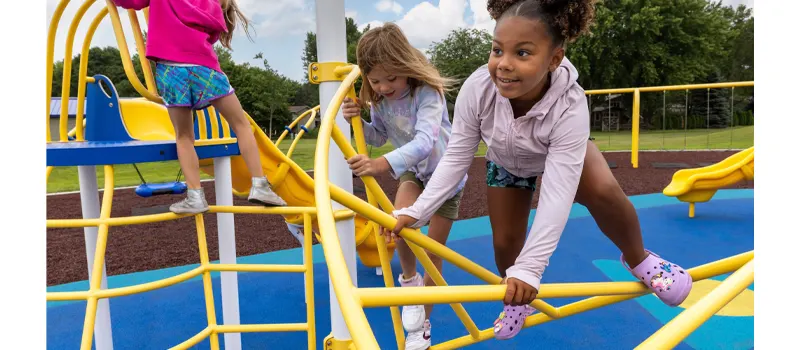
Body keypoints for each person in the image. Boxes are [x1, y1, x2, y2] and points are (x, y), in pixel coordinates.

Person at [391, 0, 693, 341]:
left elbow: (558, 193)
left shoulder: (569, 105)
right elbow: (457, 155)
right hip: (505, 160)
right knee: (505, 244)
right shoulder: (478, 89)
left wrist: (533, 268)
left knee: (604, 192)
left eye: (522, 53)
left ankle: (640, 260)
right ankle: (517, 296)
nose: (503, 64)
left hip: (558, 156)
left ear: (554, 59)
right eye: (496, 50)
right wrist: (418, 211)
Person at [341, 23, 466, 350]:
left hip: (446, 178)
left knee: (433, 253)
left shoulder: (427, 93)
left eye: (391, 78)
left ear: (406, 67)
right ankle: (409, 282)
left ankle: (422, 325)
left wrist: (379, 165)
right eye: (374, 80)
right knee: (400, 221)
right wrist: (359, 120)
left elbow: (426, 141)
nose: (383, 87)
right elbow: (379, 135)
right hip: (413, 172)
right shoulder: (381, 101)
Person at [112, 0, 286, 214]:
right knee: (241, 126)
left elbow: (132, 2)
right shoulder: (211, 3)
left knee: (184, 136)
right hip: (205, 67)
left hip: (171, 69)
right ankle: (260, 185)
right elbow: (212, 34)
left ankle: (195, 196)